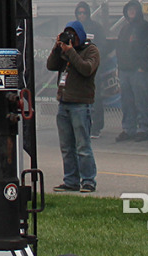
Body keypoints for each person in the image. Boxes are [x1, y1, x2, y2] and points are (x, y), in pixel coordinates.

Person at [47, 19, 101, 192]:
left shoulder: (91, 50)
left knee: (82, 146)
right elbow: (51, 66)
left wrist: (71, 52)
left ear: (80, 35)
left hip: (81, 104)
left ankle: (88, 181)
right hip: (64, 103)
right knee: (66, 146)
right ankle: (71, 180)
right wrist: (57, 49)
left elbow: (86, 69)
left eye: (72, 35)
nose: (70, 38)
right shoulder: (64, 51)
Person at [115, 0, 148, 141]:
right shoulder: (124, 28)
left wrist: (144, 66)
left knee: (141, 101)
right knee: (126, 102)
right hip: (125, 71)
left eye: (134, 9)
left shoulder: (145, 27)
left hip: (139, 71)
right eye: (129, 9)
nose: (131, 12)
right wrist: (119, 67)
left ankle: (144, 128)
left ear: (138, 11)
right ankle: (128, 129)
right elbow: (119, 49)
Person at [73, 2, 109, 137]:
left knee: (95, 96)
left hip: (92, 67)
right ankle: (81, 125)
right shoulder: (73, 28)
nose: (82, 15)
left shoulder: (96, 27)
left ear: (88, 14)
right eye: (79, 13)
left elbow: (103, 46)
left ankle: (96, 126)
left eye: (84, 13)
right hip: (77, 67)